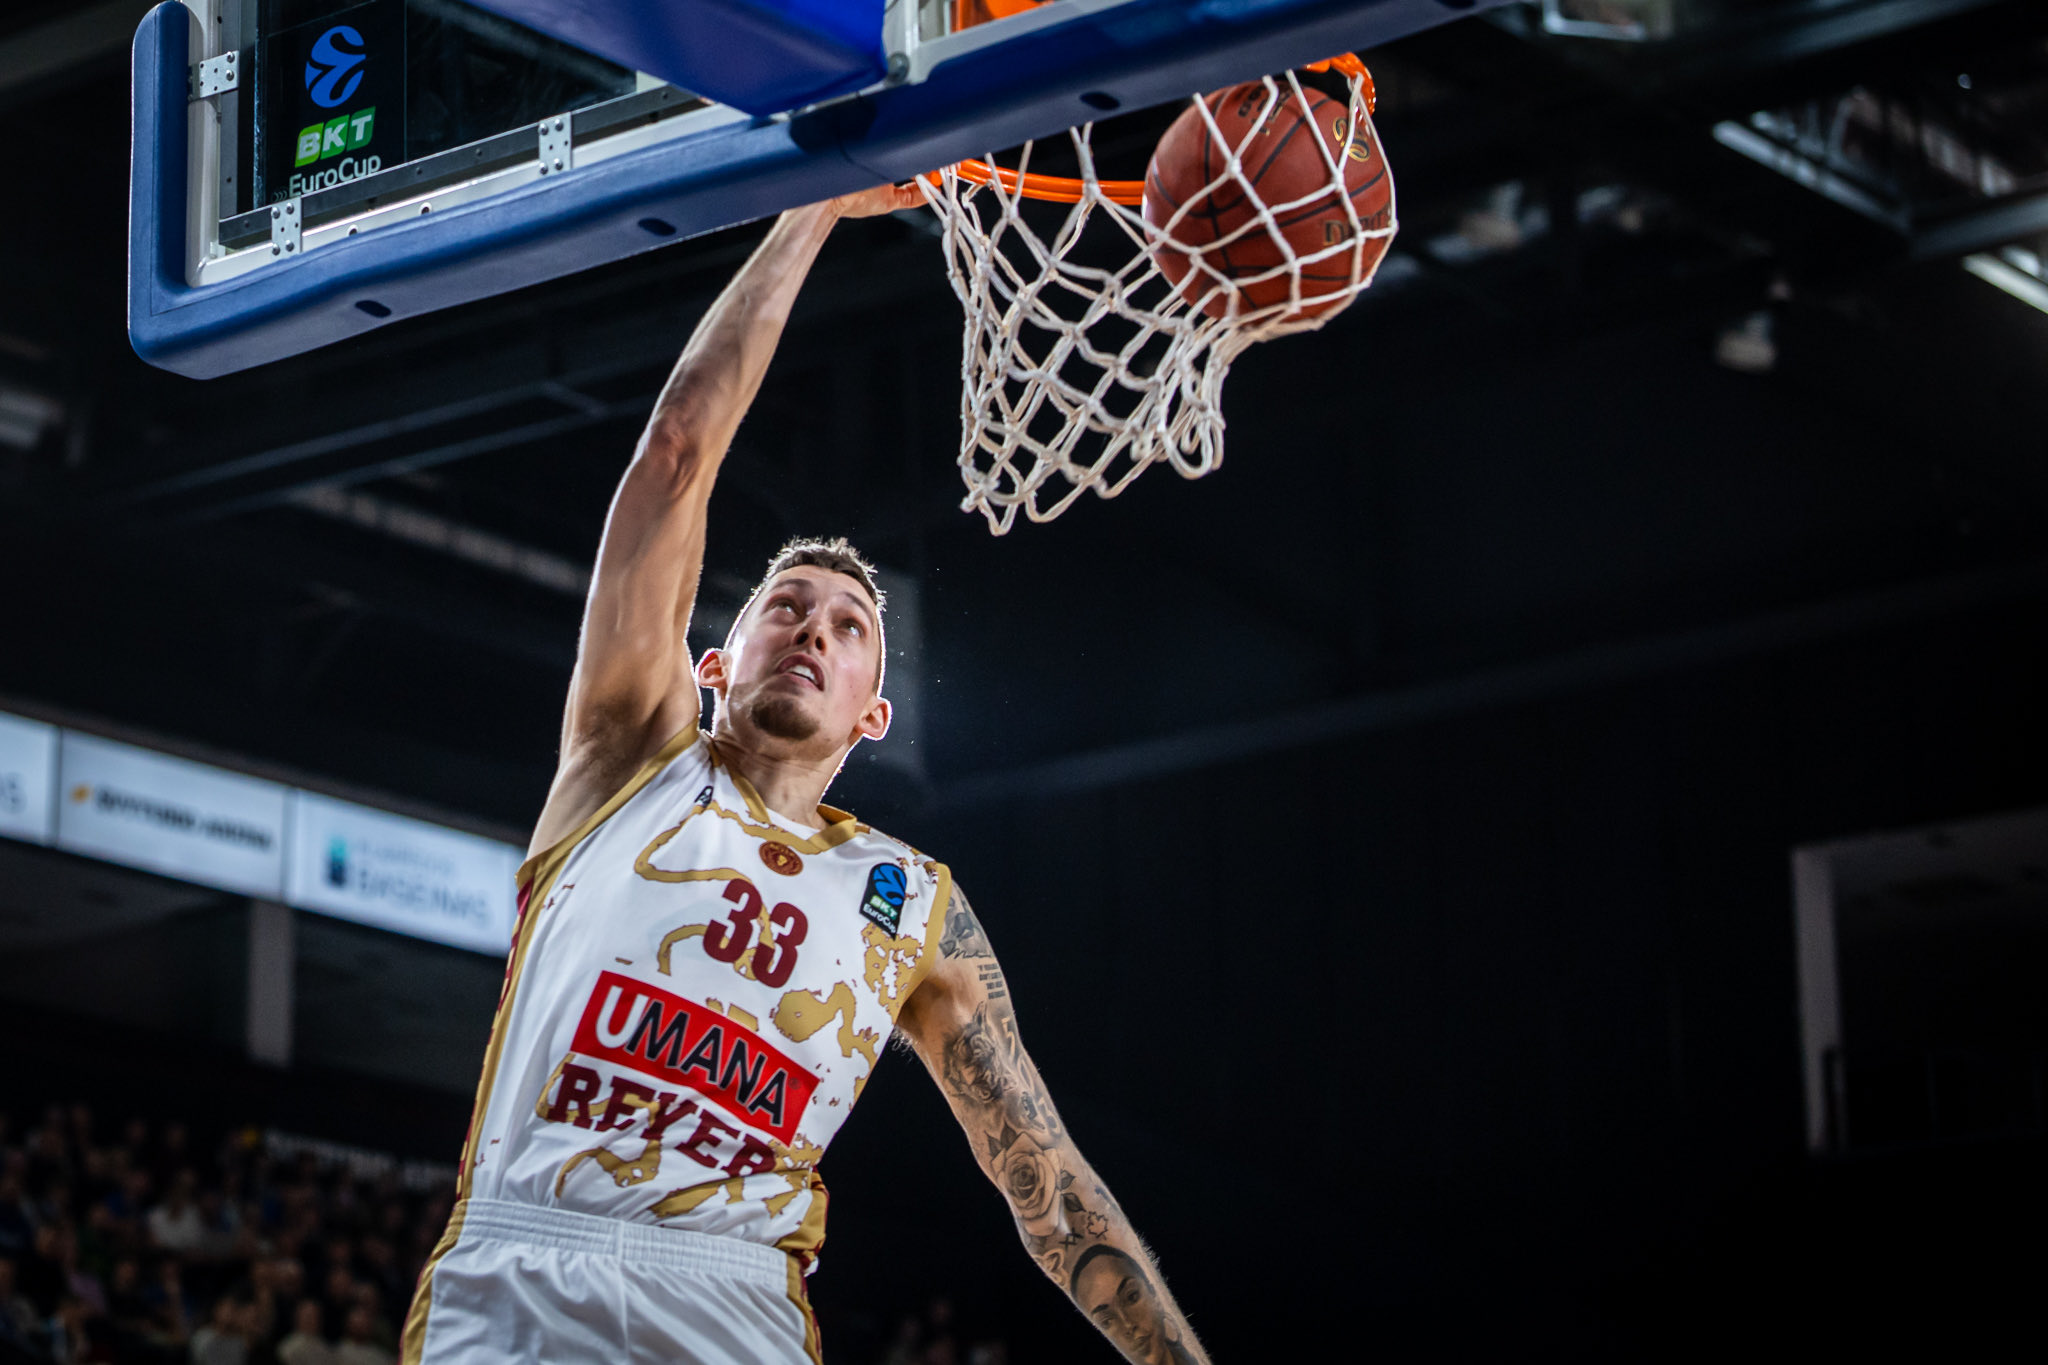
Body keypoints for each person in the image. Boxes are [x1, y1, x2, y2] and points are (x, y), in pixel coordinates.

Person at [400, 187, 1209, 1365]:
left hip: (736, 1302)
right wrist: (814, 209)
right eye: (784, 608)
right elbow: (674, 454)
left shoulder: (915, 907)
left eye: (847, 626)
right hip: (524, 1272)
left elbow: (1046, 1184)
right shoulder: (630, 753)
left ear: (872, 714)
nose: (812, 631)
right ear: (714, 666)